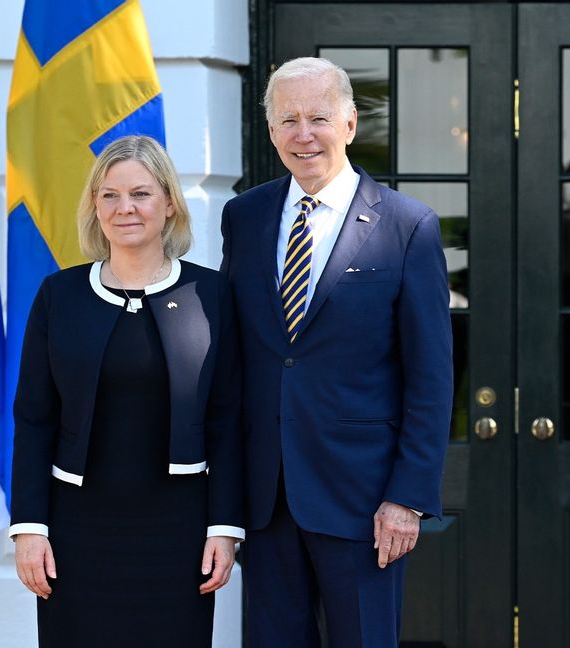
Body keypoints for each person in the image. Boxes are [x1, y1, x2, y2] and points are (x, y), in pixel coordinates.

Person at [220, 57, 453, 647]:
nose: (304, 135)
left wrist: (408, 497)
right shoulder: (244, 218)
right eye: (288, 120)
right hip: (267, 499)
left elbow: (430, 375)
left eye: (318, 118)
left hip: (365, 501)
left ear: (350, 124)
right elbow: (235, 359)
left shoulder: (407, 227)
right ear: (270, 131)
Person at [9, 135, 244, 647]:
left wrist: (224, 528)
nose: (125, 208)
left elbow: (227, 420)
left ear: (168, 203)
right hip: (77, 528)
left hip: (177, 528)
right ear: (94, 207)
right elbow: (33, 418)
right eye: (109, 196)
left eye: (139, 193)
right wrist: (29, 527)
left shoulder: (212, 295)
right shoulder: (59, 296)